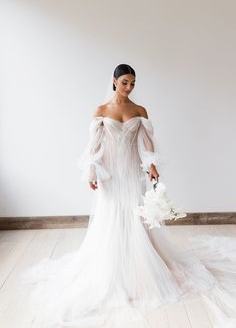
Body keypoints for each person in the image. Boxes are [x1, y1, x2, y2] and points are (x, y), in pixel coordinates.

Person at [21, 64, 236, 328]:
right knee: (111, 215)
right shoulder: (101, 111)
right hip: (111, 175)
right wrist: (92, 171)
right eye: (125, 82)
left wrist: (152, 166)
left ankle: (142, 269)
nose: (129, 87)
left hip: (132, 173)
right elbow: (94, 146)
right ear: (114, 81)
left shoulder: (139, 110)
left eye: (133, 83)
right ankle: (112, 268)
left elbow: (147, 142)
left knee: (135, 216)